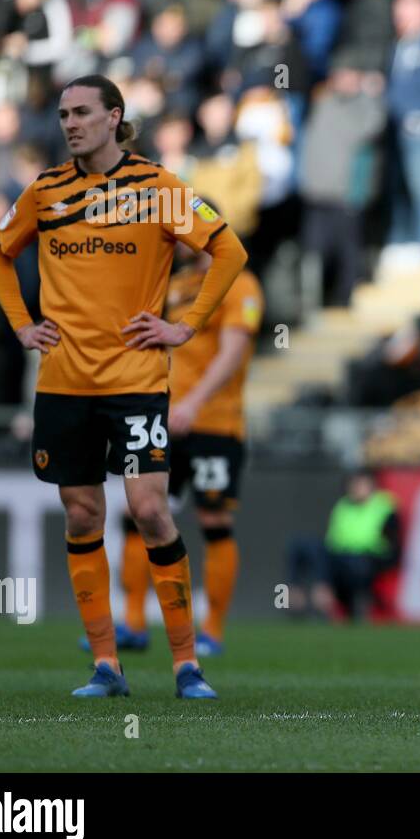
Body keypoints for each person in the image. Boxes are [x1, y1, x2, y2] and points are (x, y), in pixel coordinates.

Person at [0, 73, 247, 699]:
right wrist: (21, 326)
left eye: (81, 112)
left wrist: (185, 327)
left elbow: (228, 250)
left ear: (113, 116)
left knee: (152, 509)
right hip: (63, 383)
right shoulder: (45, 192)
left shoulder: (158, 187)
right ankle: (107, 665)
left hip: (135, 381)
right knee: (82, 514)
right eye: (62, 114)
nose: (69, 123)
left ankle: (187, 665)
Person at [111, 242, 264, 656]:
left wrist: (194, 403)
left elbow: (234, 352)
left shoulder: (239, 282)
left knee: (213, 519)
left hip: (214, 422)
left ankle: (212, 630)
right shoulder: (176, 284)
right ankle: (133, 623)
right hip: (163, 418)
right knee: (138, 513)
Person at [323, 469, 403, 621]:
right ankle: (307, 603)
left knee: (358, 565)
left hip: (374, 557)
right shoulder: (343, 506)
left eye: (360, 485)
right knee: (306, 549)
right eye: (354, 485)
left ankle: (362, 607)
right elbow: (332, 539)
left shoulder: (384, 506)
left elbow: (392, 544)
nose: (356, 488)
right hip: (343, 556)